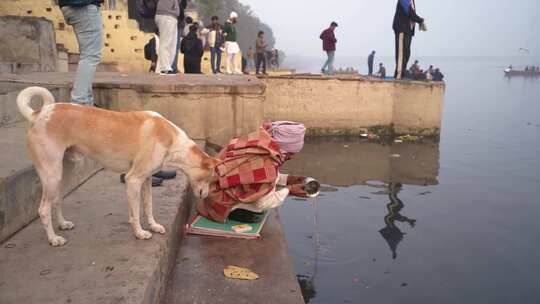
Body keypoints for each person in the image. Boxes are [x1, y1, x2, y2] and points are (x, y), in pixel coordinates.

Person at [196, 121, 311, 223]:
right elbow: (262, 203)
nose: (292, 157)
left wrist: (287, 179)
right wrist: (289, 190)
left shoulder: (256, 142)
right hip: (219, 205)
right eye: (291, 153)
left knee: (265, 187)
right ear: (284, 149)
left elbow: (253, 176)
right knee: (258, 211)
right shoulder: (267, 166)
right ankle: (232, 214)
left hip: (211, 190)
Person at [58, 0, 104, 106]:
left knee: (87, 55)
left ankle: (86, 103)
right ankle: (78, 102)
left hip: (71, 7)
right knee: (91, 56)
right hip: (83, 7)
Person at [393, 0, 425, 79]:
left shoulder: (412, 1)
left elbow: (411, 13)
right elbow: (410, 12)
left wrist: (419, 21)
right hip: (402, 29)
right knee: (402, 53)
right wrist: (420, 20)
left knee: (407, 53)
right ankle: (399, 75)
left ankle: (402, 74)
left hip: (408, 31)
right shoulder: (403, 0)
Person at [155, 0, 182, 75]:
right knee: (165, 43)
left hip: (172, 17)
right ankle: (164, 68)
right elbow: (162, 8)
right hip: (166, 16)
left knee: (172, 45)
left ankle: (167, 67)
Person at [169, 0, 188, 74]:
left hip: (177, 23)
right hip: (174, 22)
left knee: (175, 46)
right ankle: (172, 66)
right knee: (173, 46)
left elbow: (183, 6)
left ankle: (173, 66)